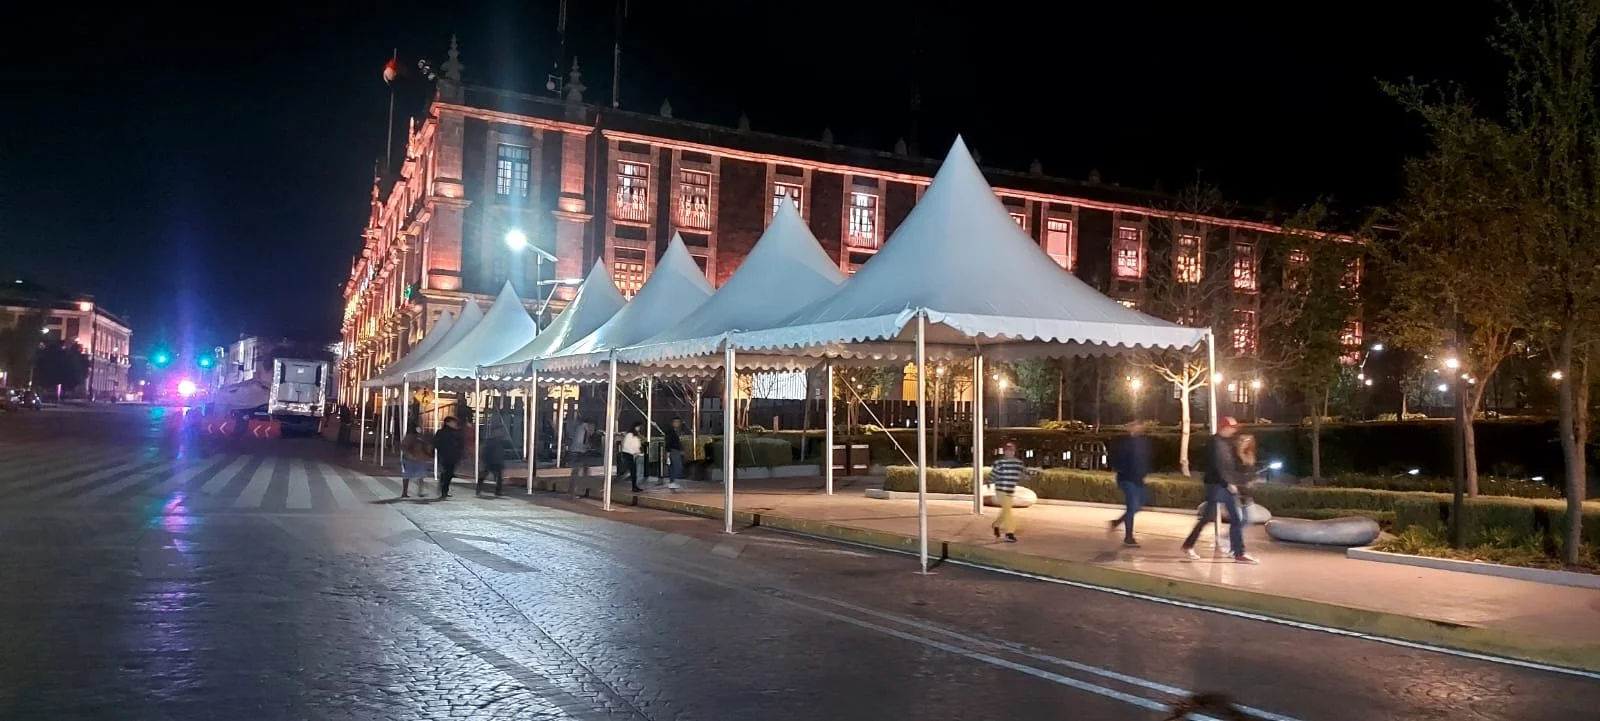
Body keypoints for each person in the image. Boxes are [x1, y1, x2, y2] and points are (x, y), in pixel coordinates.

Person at [1181, 417, 1258, 564]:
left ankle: (1238, 552)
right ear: (1224, 427)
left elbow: (1230, 467)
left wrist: (1239, 480)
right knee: (1210, 517)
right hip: (1216, 485)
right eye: (1232, 427)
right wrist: (1227, 483)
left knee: (1234, 518)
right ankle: (1189, 545)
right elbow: (1216, 466)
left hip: (1225, 485)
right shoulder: (1214, 443)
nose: (1234, 430)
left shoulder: (1226, 443)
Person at [1109, 420, 1152, 547]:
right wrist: (1122, 471)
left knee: (1138, 506)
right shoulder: (1126, 443)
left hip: (1138, 479)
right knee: (1132, 507)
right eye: (1137, 426)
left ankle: (1117, 522)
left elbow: (1145, 459)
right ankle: (1128, 537)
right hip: (1127, 478)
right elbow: (1119, 459)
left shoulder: (1143, 442)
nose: (1140, 428)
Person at [990, 441, 1028, 543]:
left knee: (1005, 511)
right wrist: (989, 481)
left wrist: (1035, 473)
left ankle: (996, 525)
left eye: (1012, 450)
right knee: (1008, 512)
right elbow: (994, 474)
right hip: (1000, 490)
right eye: (1008, 450)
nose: (1010, 452)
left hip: (1010, 491)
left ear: (1014, 451)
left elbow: (1025, 473)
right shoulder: (999, 463)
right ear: (1005, 451)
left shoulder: (1018, 463)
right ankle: (1009, 533)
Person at [433, 416, 464, 500]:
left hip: (454, 456)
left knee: (449, 474)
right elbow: (436, 443)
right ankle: (444, 491)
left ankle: (444, 490)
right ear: (447, 423)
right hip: (444, 456)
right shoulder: (442, 432)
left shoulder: (457, 432)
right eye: (453, 422)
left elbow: (461, 444)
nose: (455, 424)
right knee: (447, 473)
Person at [477, 426, 512, 497]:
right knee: (483, 476)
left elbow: (509, 445)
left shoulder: (501, 441)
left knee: (499, 478)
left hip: (497, 462)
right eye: (497, 432)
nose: (498, 433)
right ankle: (478, 489)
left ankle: (498, 491)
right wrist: (484, 461)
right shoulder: (489, 441)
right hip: (489, 462)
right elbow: (484, 452)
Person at [399, 429, 431, 499]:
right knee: (410, 475)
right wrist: (410, 455)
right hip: (411, 460)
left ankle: (414, 492)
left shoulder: (420, 438)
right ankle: (407, 492)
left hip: (419, 459)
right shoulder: (411, 437)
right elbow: (404, 447)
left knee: (419, 476)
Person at [620, 422, 644, 493]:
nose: (639, 428)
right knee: (632, 471)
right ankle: (634, 487)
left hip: (631, 454)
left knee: (633, 471)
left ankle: (635, 486)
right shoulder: (630, 435)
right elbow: (628, 445)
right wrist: (636, 452)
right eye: (638, 427)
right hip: (628, 454)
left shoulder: (634, 435)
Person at [663, 417, 685, 490]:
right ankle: (673, 481)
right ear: (672, 423)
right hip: (673, 450)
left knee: (672, 466)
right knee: (677, 466)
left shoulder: (676, 431)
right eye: (676, 422)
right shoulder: (670, 432)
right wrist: (668, 452)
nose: (677, 423)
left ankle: (672, 482)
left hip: (674, 450)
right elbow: (669, 442)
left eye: (678, 422)